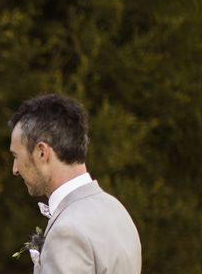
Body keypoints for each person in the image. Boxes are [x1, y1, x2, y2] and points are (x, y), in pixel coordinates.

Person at [8, 93, 142, 273]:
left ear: (42, 152)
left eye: (16, 156)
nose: (15, 169)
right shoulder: (117, 210)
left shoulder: (67, 232)